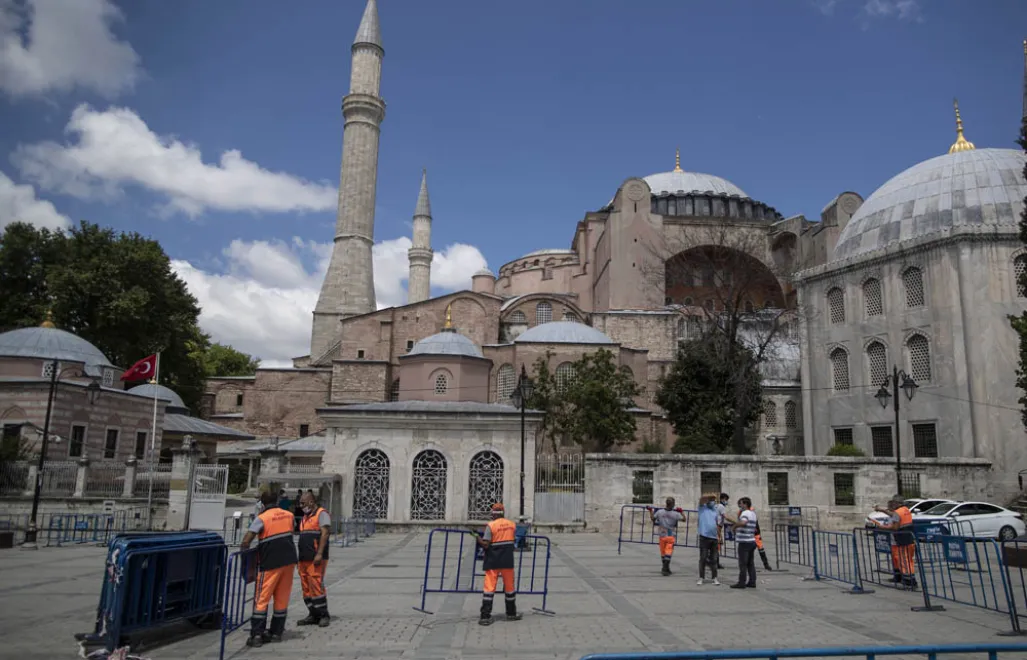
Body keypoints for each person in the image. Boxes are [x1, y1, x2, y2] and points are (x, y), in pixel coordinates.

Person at [240, 490, 298, 646]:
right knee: (282, 597)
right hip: (289, 561)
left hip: (270, 562)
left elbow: (247, 539)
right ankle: (276, 633)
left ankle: (257, 635)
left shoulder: (262, 518)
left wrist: (244, 553)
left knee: (262, 598)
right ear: (277, 501)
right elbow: (291, 531)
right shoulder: (289, 515)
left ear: (262, 503)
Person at [474, 503, 521, 626]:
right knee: (510, 588)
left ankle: (485, 616)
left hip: (493, 561)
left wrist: (477, 537)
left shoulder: (491, 526)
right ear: (503, 513)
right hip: (507, 561)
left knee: (489, 588)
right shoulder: (512, 525)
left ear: (493, 513)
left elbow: (486, 544)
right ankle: (511, 613)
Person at [296, 491, 332, 627]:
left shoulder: (321, 514)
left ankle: (323, 614)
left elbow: (325, 533)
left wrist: (319, 553)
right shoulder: (305, 516)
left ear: (311, 502)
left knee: (316, 585)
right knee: (306, 587)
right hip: (304, 558)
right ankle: (313, 614)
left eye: (303, 503)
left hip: (316, 558)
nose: (301, 506)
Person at [873, 495, 917, 588]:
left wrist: (882, 527)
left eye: (894, 502)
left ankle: (909, 581)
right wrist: (881, 510)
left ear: (897, 503)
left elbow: (895, 527)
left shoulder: (897, 512)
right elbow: (892, 514)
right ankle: (905, 578)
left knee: (904, 560)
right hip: (909, 537)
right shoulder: (905, 509)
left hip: (902, 538)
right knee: (908, 560)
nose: (892, 504)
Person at [647, 497, 685, 576]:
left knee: (663, 553)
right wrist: (682, 512)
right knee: (668, 552)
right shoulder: (676, 514)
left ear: (666, 503)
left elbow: (653, 518)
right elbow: (684, 519)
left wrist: (650, 511)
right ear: (673, 504)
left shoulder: (660, 512)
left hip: (662, 535)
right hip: (670, 535)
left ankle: (666, 568)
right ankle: (665, 568)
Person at [730, 496, 758, 589]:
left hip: (744, 542)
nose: (739, 505)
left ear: (745, 504)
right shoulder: (753, 513)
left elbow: (743, 523)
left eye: (741, 503)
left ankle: (741, 582)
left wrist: (734, 527)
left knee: (743, 563)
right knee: (750, 563)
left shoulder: (745, 513)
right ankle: (752, 581)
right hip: (752, 541)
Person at [696, 494, 721, 585]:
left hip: (714, 538)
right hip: (704, 537)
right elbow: (702, 498)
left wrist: (719, 536)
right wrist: (711, 495)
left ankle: (714, 577)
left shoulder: (715, 510)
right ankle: (701, 577)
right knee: (703, 557)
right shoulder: (702, 508)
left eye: (714, 500)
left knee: (714, 559)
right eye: (711, 500)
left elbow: (716, 524)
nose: (712, 501)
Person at [715, 493, 730, 570]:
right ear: (722, 499)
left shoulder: (717, 506)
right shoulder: (721, 507)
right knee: (717, 546)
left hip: (716, 527)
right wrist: (735, 522)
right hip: (717, 528)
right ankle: (715, 563)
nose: (727, 502)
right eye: (726, 500)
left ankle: (714, 562)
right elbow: (725, 517)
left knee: (715, 546)